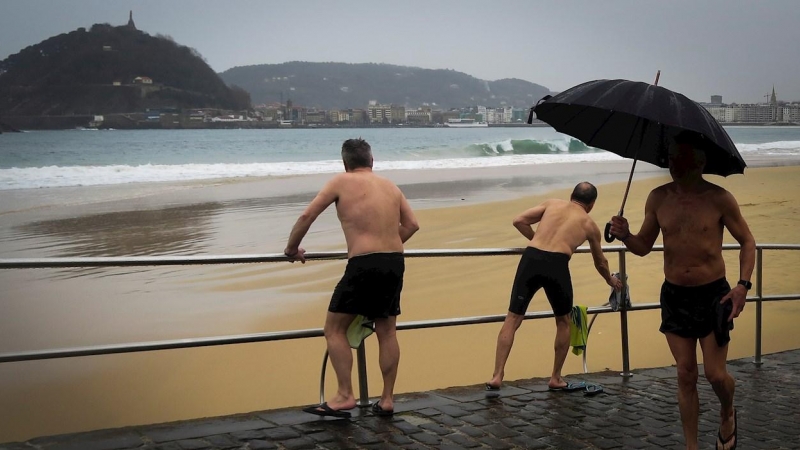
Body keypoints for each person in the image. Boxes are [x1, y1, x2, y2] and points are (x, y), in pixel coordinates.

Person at [608, 132, 755, 450]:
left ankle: (727, 412)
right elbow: (643, 247)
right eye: (671, 156)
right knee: (686, 374)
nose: (673, 162)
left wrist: (743, 286)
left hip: (715, 295)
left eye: (681, 156)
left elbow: (748, 242)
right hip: (675, 295)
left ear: (700, 160)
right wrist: (625, 235)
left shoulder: (720, 198)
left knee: (716, 375)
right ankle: (692, 446)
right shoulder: (658, 197)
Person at [284, 138, 419, 418]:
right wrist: (388, 245)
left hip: (363, 264)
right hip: (394, 261)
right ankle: (387, 399)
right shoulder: (390, 186)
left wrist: (291, 249)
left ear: (345, 164)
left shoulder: (341, 182)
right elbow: (412, 225)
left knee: (334, 329)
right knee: (387, 331)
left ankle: (345, 395)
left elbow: (307, 214)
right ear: (372, 161)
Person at [486, 182, 622, 392]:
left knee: (512, 318)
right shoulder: (589, 224)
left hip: (531, 259)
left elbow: (519, 221)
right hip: (557, 264)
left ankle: (497, 375)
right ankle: (556, 378)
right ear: (592, 204)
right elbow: (600, 262)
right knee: (563, 322)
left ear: (571, 195)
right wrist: (610, 280)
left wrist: (539, 241)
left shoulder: (552, 204)